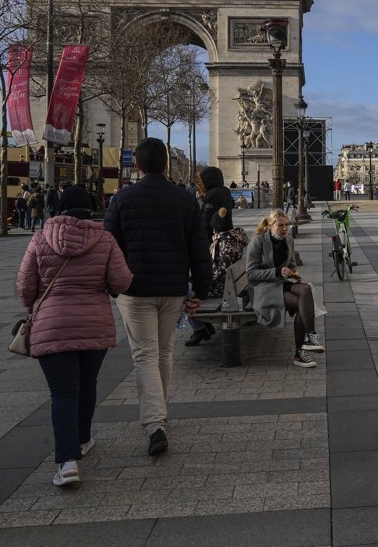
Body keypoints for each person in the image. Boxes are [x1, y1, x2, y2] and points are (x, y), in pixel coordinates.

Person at [15, 185, 133, 486]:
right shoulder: (104, 239)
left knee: (63, 393)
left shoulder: (40, 238)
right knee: (87, 384)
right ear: (90, 207)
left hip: (51, 326)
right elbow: (121, 282)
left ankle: (68, 463)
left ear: (59, 208)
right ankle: (82, 439)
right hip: (94, 324)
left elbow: (25, 287)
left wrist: (40, 308)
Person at [103, 138, 212, 457]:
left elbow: (109, 248)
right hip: (174, 288)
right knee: (163, 352)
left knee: (145, 356)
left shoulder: (122, 198)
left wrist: (111, 287)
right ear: (166, 163)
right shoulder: (185, 199)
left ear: (137, 164)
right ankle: (159, 416)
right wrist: (200, 292)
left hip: (135, 290)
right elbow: (200, 251)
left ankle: (154, 425)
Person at [245, 209, 323, 368]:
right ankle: (301, 352)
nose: (285, 228)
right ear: (270, 226)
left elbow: (292, 265)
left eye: (287, 224)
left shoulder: (288, 240)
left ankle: (310, 338)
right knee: (302, 304)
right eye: (280, 225)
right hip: (264, 288)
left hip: (283, 283)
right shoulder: (258, 241)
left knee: (306, 289)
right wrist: (276, 271)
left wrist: (295, 275)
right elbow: (251, 273)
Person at [185, 166, 235, 346]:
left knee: (183, 289)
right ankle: (203, 326)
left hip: (211, 246)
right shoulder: (225, 191)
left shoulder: (212, 195)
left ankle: (199, 327)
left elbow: (205, 222)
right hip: (222, 246)